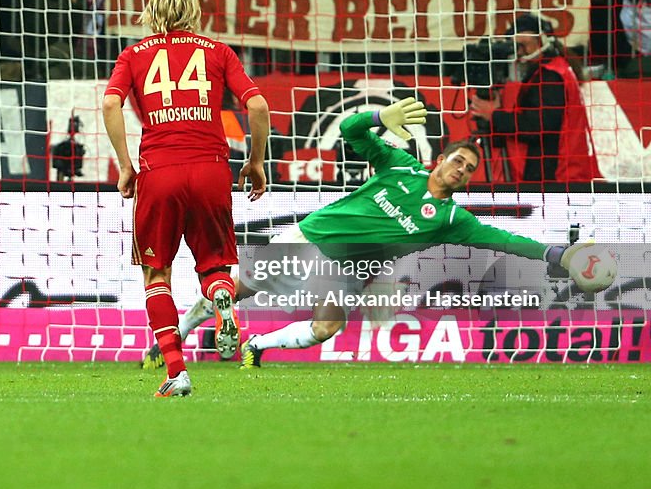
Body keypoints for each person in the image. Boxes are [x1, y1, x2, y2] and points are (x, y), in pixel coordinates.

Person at [143, 99, 600, 369]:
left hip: (347, 269)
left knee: (327, 327)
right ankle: (169, 341)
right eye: (458, 161)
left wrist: (557, 253)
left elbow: (503, 241)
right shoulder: (399, 165)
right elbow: (348, 129)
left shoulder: (449, 219)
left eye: (469, 170)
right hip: (311, 238)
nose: (461, 171)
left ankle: (256, 346)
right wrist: (381, 115)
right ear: (439, 159)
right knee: (232, 290)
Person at [103, 0, 269, 397]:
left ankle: (177, 371)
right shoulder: (218, 51)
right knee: (214, 264)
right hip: (212, 168)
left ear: (153, 10)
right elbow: (258, 104)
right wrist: (255, 161)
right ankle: (221, 300)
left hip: (159, 170)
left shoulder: (133, 54)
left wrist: (125, 165)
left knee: (156, 272)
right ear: (194, 11)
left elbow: (109, 104)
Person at [468, 13, 600, 184]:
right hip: (562, 171)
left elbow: (539, 126)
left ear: (541, 39)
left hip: (556, 176)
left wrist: (494, 115)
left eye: (521, 43)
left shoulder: (550, 75)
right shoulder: (552, 70)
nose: (517, 49)